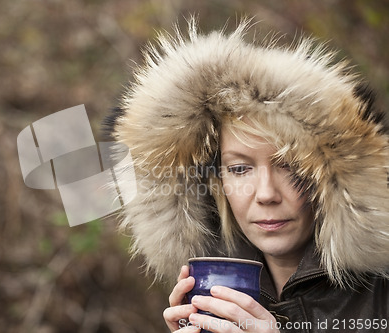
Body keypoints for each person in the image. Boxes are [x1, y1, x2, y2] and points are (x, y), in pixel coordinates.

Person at [104, 18, 389, 332]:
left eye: (289, 166)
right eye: (239, 169)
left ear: (330, 178)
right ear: (215, 182)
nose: (266, 194)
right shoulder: (208, 288)